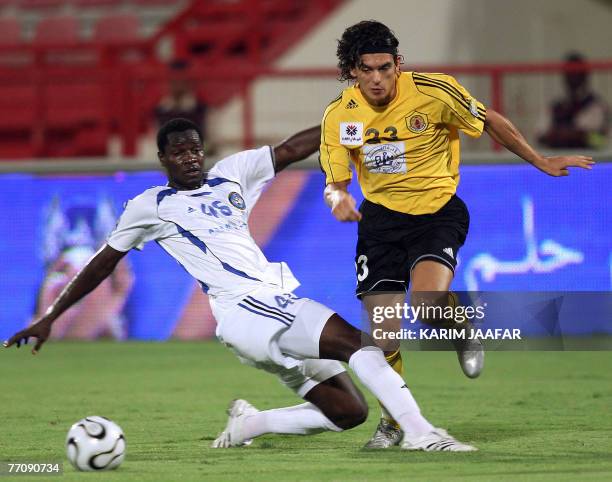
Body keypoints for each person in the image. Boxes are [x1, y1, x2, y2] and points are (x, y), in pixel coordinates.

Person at [4, 118, 477, 452]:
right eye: (179, 151)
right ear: (163, 158)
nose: (190, 157)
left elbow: (293, 148)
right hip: (247, 308)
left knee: (347, 413)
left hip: (265, 312)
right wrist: (50, 317)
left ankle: (252, 423)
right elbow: (102, 263)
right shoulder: (150, 206)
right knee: (362, 346)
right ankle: (420, 433)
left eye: (195, 148)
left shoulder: (231, 174)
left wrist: (345, 117)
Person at [319, 20, 594, 449]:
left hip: (437, 214)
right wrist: (339, 202)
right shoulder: (340, 114)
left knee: (428, 307)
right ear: (353, 70)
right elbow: (334, 181)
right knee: (383, 335)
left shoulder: (434, 92)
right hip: (380, 223)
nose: (377, 78)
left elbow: (490, 122)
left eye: (385, 68)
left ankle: (461, 328)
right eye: (366, 69)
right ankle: (394, 423)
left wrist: (539, 160)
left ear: (398, 64)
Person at [539, 52, 609, 149]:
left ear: (585, 76)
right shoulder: (556, 106)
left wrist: (578, 136)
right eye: (570, 73)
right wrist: (557, 135)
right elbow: (540, 136)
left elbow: (600, 139)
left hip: (589, 160)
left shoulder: (597, 106)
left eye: (578, 73)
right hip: (558, 160)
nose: (573, 78)